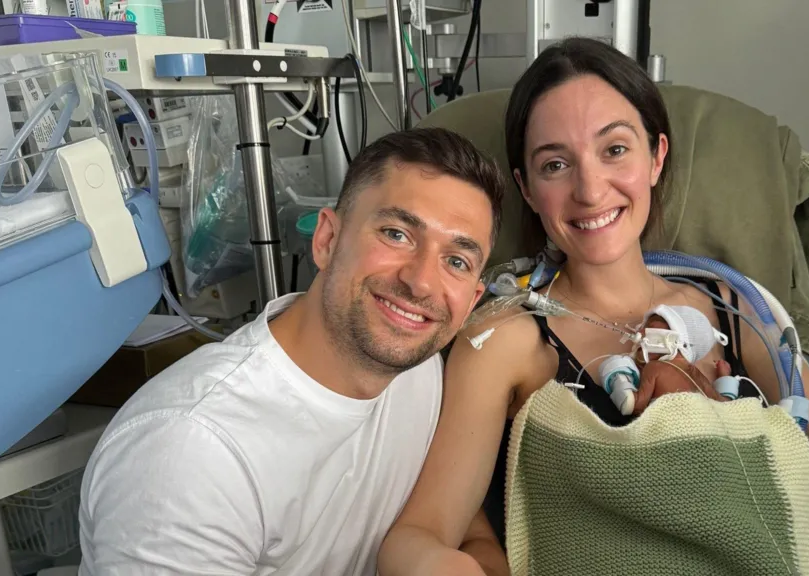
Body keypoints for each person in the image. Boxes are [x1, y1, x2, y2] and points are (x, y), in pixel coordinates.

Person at [379, 38, 809, 575]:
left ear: (656, 157)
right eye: (555, 164)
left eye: (615, 150)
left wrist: (716, 508)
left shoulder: (735, 311)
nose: (589, 189)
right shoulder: (505, 339)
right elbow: (425, 531)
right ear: (528, 189)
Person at [77, 127, 507, 575]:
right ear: (326, 241)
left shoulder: (416, 371)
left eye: (456, 261)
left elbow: (453, 521)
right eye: (396, 234)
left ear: (471, 301)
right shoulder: (191, 454)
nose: (420, 283)